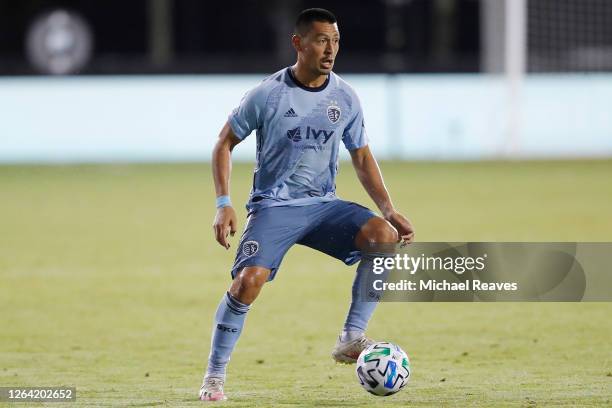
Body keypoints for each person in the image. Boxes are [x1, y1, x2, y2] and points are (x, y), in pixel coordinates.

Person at [199, 8, 414, 401]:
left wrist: (388, 209)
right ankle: (214, 376)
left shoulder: (345, 97)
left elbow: (362, 156)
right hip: (274, 208)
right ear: (298, 43)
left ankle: (351, 338)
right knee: (248, 283)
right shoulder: (269, 94)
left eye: (335, 41)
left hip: (323, 206)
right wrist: (223, 203)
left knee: (382, 237)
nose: (330, 49)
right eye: (321, 41)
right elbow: (224, 142)